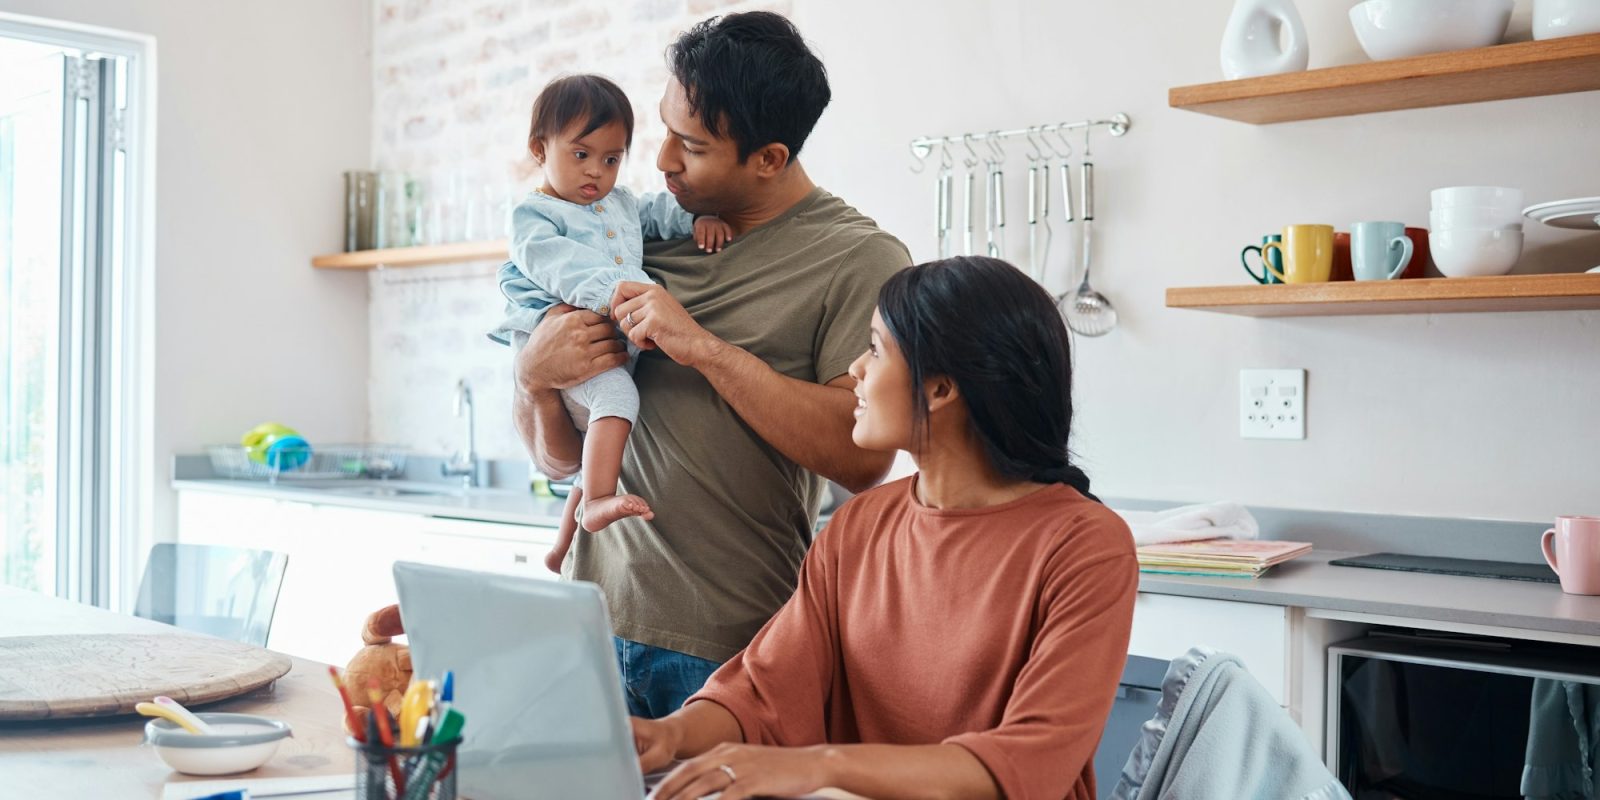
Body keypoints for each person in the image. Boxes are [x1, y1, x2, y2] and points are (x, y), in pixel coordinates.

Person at [511, 11, 911, 718]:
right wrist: (535, 379)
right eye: (663, 130)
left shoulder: (858, 260)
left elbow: (859, 457)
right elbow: (557, 460)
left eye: (690, 146)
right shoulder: (634, 235)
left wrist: (703, 348)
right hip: (589, 622)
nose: (660, 161)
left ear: (768, 157)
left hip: (733, 644)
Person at [632, 256, 1139, 800]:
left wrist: (823, 766)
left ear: (940, 389)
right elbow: (762, 690)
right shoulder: (861, 524)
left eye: (874, 348)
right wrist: (669, 734)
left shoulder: (1086, 546)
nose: (855, 369)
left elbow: (1029, 760)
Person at [488, 74, 733, 572]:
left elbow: (656, 212)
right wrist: (613, 295)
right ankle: (597, 501)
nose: (596, 172)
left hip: (599, 339)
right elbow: (553, 263)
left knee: (605, 437)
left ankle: (565, 543)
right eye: (581, 155)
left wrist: (697, 219)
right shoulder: (534, 215)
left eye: (611, 158)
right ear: (541, 148)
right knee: (619, 400)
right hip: (559, 332)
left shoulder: (617, 203)